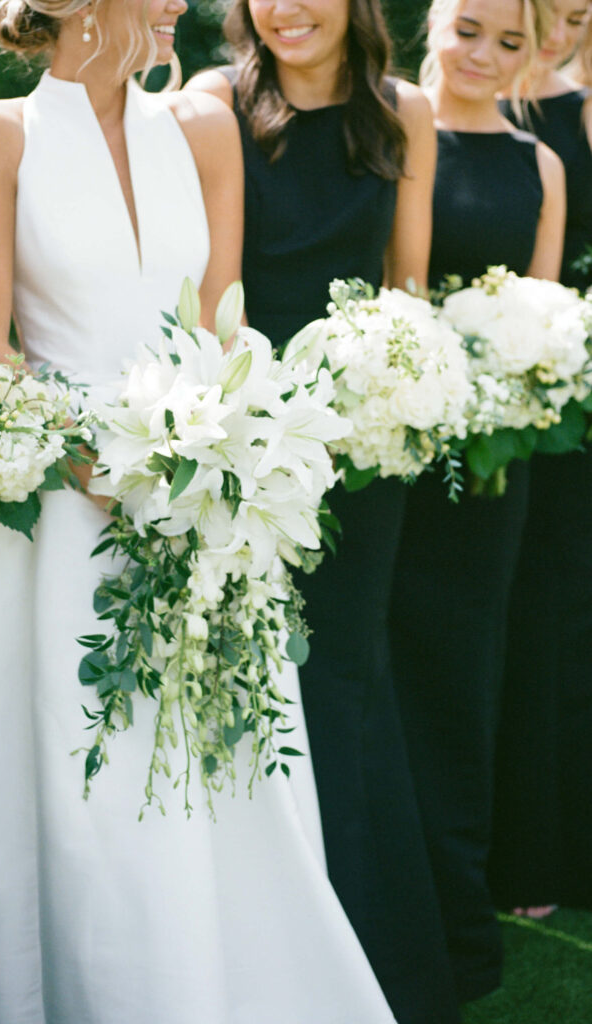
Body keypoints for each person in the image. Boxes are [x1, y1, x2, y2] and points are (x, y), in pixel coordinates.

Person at [0, 2, 398, 1022]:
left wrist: (218, 451)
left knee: (227, 779)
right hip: (55, 528)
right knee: (90, 801)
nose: (178, 6)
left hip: (200, 510)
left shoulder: (201, 124)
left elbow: (222, 316)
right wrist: (91, 460)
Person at [187, 5, 461, 1024]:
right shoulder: (212, 103)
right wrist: (251, 422)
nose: (286, 10)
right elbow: (214, 295)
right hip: (254, 437)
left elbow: (407, 284)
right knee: (263, 679)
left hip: (360, 450)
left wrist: (390, 383)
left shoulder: (403, 112)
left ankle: (378, 956)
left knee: (346, 681)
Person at [388, 0, 564, 1004]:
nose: (484, 57)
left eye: (510, 41)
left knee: (464, 675)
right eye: (469, 31)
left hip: (494, 464)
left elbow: (540, 312)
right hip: (392, 439)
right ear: (434, 25)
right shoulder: (396, 122)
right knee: (386, 670)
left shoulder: (538, 164)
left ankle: (459, 920)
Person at [489, 0, 592, 916]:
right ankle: (525, 851)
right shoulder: (487, 106)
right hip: (536, 395)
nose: (562, 32)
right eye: (545, 15)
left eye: (579, 15)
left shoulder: (581, 109)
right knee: (537, 613)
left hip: (569, 379)